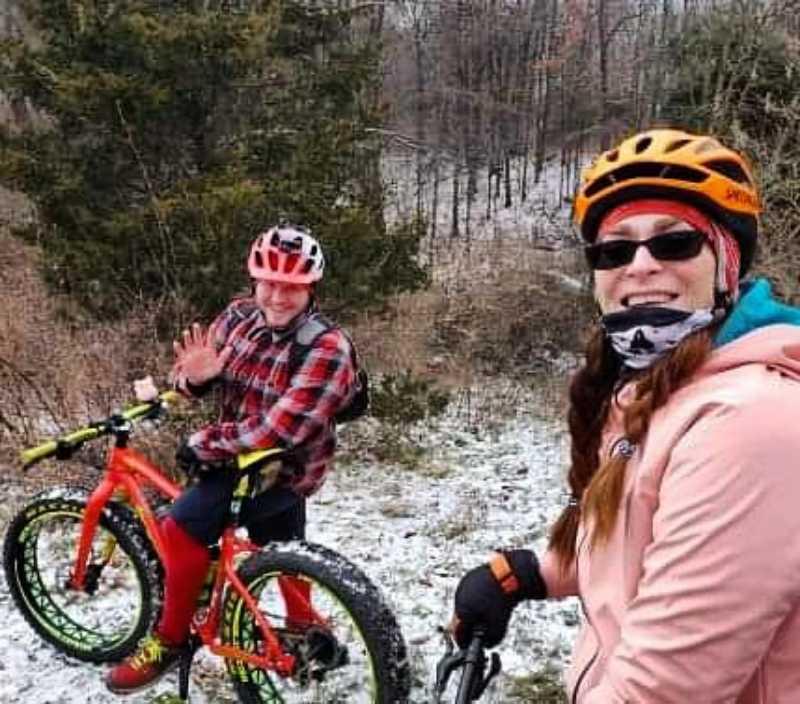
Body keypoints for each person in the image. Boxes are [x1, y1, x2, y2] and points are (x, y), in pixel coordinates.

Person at [450, 129, 800, 703]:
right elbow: (636, 540)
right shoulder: (658, 393)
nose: (639, 266)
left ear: (727, 264)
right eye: (613, 251)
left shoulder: (750, 425)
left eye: (674, 243)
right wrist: (532, 571)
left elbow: (662, 691)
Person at [107, 223, 359, 693]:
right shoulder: (239, 317)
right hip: (238, 459)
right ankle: (311, 635)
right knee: (281, 552)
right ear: (253, 282)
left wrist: (203, 444)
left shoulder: (328, 348)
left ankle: (169, 640)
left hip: (282, 471)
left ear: (312, 289)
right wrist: (197, 381)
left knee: (178, 527)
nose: (279, 297)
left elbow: (279, 430)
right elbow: (190, 376)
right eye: (270, 283)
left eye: (293, 287)